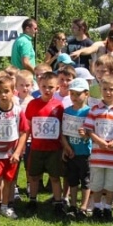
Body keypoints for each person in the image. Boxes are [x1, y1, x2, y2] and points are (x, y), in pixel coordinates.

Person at [0, 74, 29, 226]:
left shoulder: (18, 111)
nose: (3, 95)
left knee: (9, 182)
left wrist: (17, 152)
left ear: (13, 92)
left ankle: (5, 207)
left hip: (12, 155)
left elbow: (23, 132)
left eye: (6, 91)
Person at [83, 74, 113, 220]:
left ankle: (108, 208)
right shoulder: (94, 109)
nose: (108, 92)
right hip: (98, 155)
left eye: (111, 89)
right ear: (100, 90)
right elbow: (89, 130)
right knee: (96, 184)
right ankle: (97, 207)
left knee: (111, 184)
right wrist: (99, 141)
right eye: (105, 89)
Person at [26, 71, 67, 214]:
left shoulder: (59, 106)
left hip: (54, 149)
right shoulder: (32, 104)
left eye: (51, 87)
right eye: (44, 86)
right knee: (34, 176)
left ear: (57, 88)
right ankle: (32, 200)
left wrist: (64, 147)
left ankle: (58, 202)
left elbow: (62, 128)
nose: (47, 90)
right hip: (36, 147)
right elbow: (28, 126)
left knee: (55, 177)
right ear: (39, 86)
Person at [61, 77, 91, 217]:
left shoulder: (90, 112)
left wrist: (86, 135)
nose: (74, 97)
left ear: (86, 94)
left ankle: (83, 207)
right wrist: (66, 147)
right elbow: (63, 133)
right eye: (72, 93)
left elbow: (93, 133)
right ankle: (73, 205)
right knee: (72, 179)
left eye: (78, 94)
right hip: (71, 152)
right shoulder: (67, 111)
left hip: (85, 153)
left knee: (86, 181)